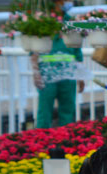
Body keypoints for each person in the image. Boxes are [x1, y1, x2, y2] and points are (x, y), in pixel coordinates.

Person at [31, 0, 84, 129]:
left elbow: (77, 50)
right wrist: (36, 72)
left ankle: (66, 141)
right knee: (44, 111)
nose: (67, 2)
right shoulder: (42, 21)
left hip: (68, 74)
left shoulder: (70, 21)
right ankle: (41, 141)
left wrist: (81, 75)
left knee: (67, 111)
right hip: (47, 74)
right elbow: (33, 50)